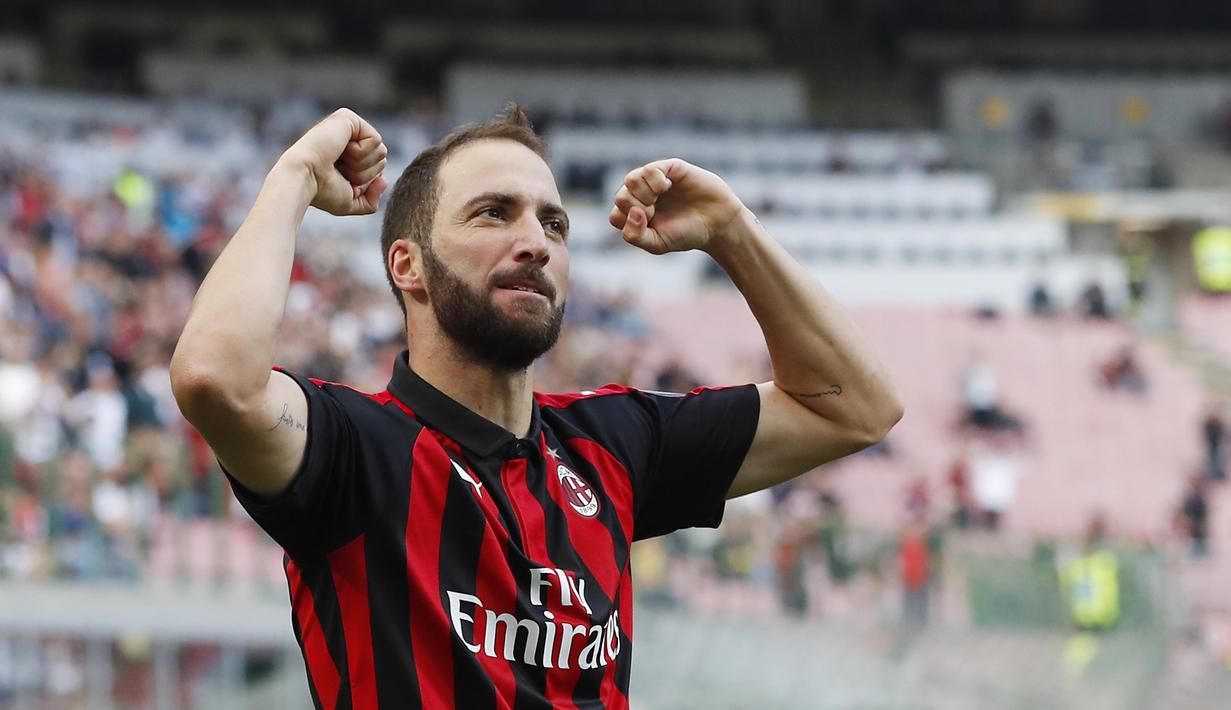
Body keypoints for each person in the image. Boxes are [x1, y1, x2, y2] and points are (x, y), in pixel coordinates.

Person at [170, 105, 903, 708]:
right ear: (408, 266)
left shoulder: (614, 444)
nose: (535, 243)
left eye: (553, 224)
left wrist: (733, 232)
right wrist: (294, 176)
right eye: (494, 214)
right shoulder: (353, 449)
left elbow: (853, 407)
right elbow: (212, 377)